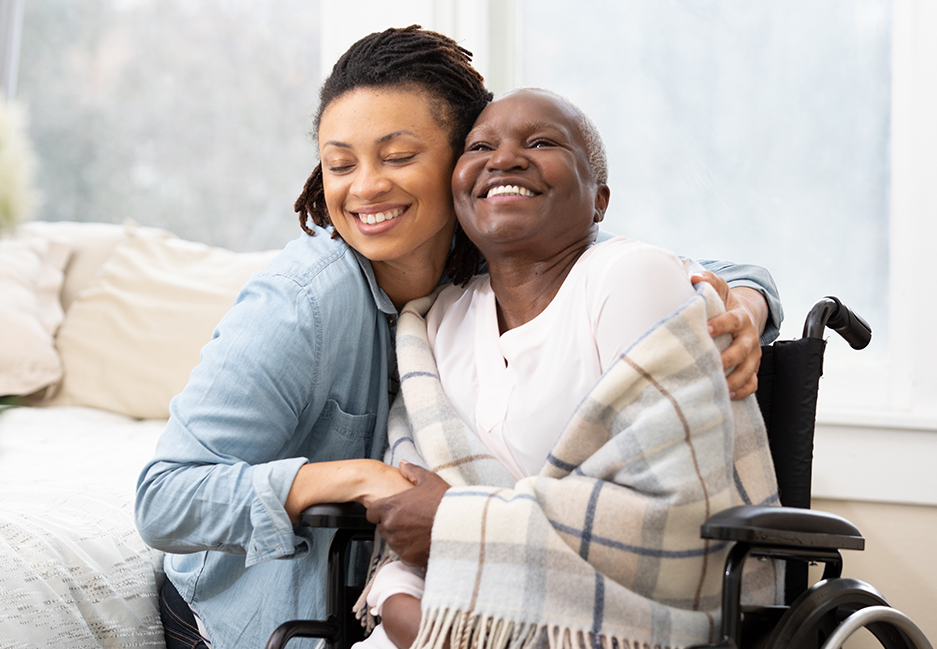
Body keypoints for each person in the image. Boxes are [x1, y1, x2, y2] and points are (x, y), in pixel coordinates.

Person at [134, 27, 781, 649]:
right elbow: (163, 495)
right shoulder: (302, 302)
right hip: (261, 617)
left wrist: (744, 310)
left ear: (460, 161)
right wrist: (354, 477)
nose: (365, 187)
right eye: (340, 164)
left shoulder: (492, 257)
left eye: (399, 156)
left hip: (442, 595)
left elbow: (679, 267)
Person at [362, 89, 781, 649]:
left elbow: (671, 517)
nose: (503, 158)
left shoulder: (630, 278)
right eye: (480, 146)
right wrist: (398, 603)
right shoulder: (436, 321)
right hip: (447, 619)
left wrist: (454, 521)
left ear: (599, 200)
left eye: (541, 142)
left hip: (605, 626)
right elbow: (407, 512)